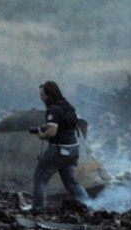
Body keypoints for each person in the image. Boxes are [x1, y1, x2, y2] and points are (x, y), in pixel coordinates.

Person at [31, 81, 89, 212]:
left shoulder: (53, 109)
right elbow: (66, 126)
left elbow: (51, 132)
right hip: (73, 149)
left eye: (42, 95)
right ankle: (88, 207)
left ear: (49, 95)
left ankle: (37, 209)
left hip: (59, 150)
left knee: (40, 178)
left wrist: (41, 134)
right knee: (71, 182)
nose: (41, 98)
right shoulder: (67, 106)